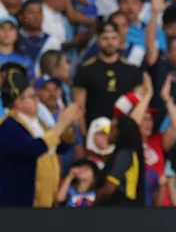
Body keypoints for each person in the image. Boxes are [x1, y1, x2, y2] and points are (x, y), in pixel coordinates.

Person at [0, 69, 79, 207]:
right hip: (21, 201)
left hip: (46, 202)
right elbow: (31, 149)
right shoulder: (8, 126)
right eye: (32, 96)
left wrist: (68, 125)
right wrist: (60, 125)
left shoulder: (38, 122)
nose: (37, 100)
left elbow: (59, 148)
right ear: (18, 102)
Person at [72, 22, 141, 126]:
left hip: (123, 131)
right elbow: (79, 108)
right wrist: (84, 136)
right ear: (98, 40)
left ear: (119, 40)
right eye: (105, 38)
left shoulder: (131, 69)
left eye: (114, 38)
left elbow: (138, 106)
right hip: (95, 130)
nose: (110, 42)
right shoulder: (85, 69)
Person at [95, 115, 146, 206]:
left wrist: (94, 202)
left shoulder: (124, 155)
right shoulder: (128, 153)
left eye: (112, 129)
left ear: (120, 132)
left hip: (122, 206)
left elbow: (109, 189)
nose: (109, 133)